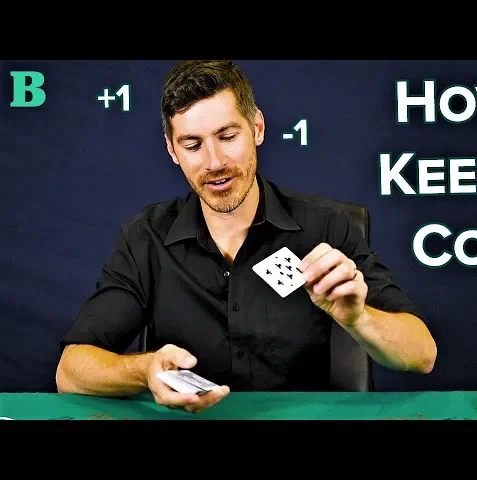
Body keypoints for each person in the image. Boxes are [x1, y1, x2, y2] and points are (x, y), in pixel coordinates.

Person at [55, 60, 437, 413]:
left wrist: (359, 319)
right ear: (172, 150)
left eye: (227, 136)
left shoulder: (326, 226)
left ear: (257, 128)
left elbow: (422, 354)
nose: (214, 162)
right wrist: (144, 370)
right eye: (193, 145)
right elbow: (71, 371)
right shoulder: (146, 237)